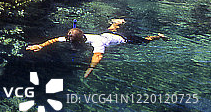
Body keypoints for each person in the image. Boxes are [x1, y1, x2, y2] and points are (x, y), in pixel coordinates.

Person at [26, 19, 165, 78]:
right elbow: (55, 39)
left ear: (81, 39)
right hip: (107, 35)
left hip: (123, 39)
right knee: (111, 30)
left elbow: (98, 56)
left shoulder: (96, 43)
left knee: (145, 41)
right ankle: (117, 22)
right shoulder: (75, 37)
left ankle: (158, 36)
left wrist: (90, 69)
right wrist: (41, 45)